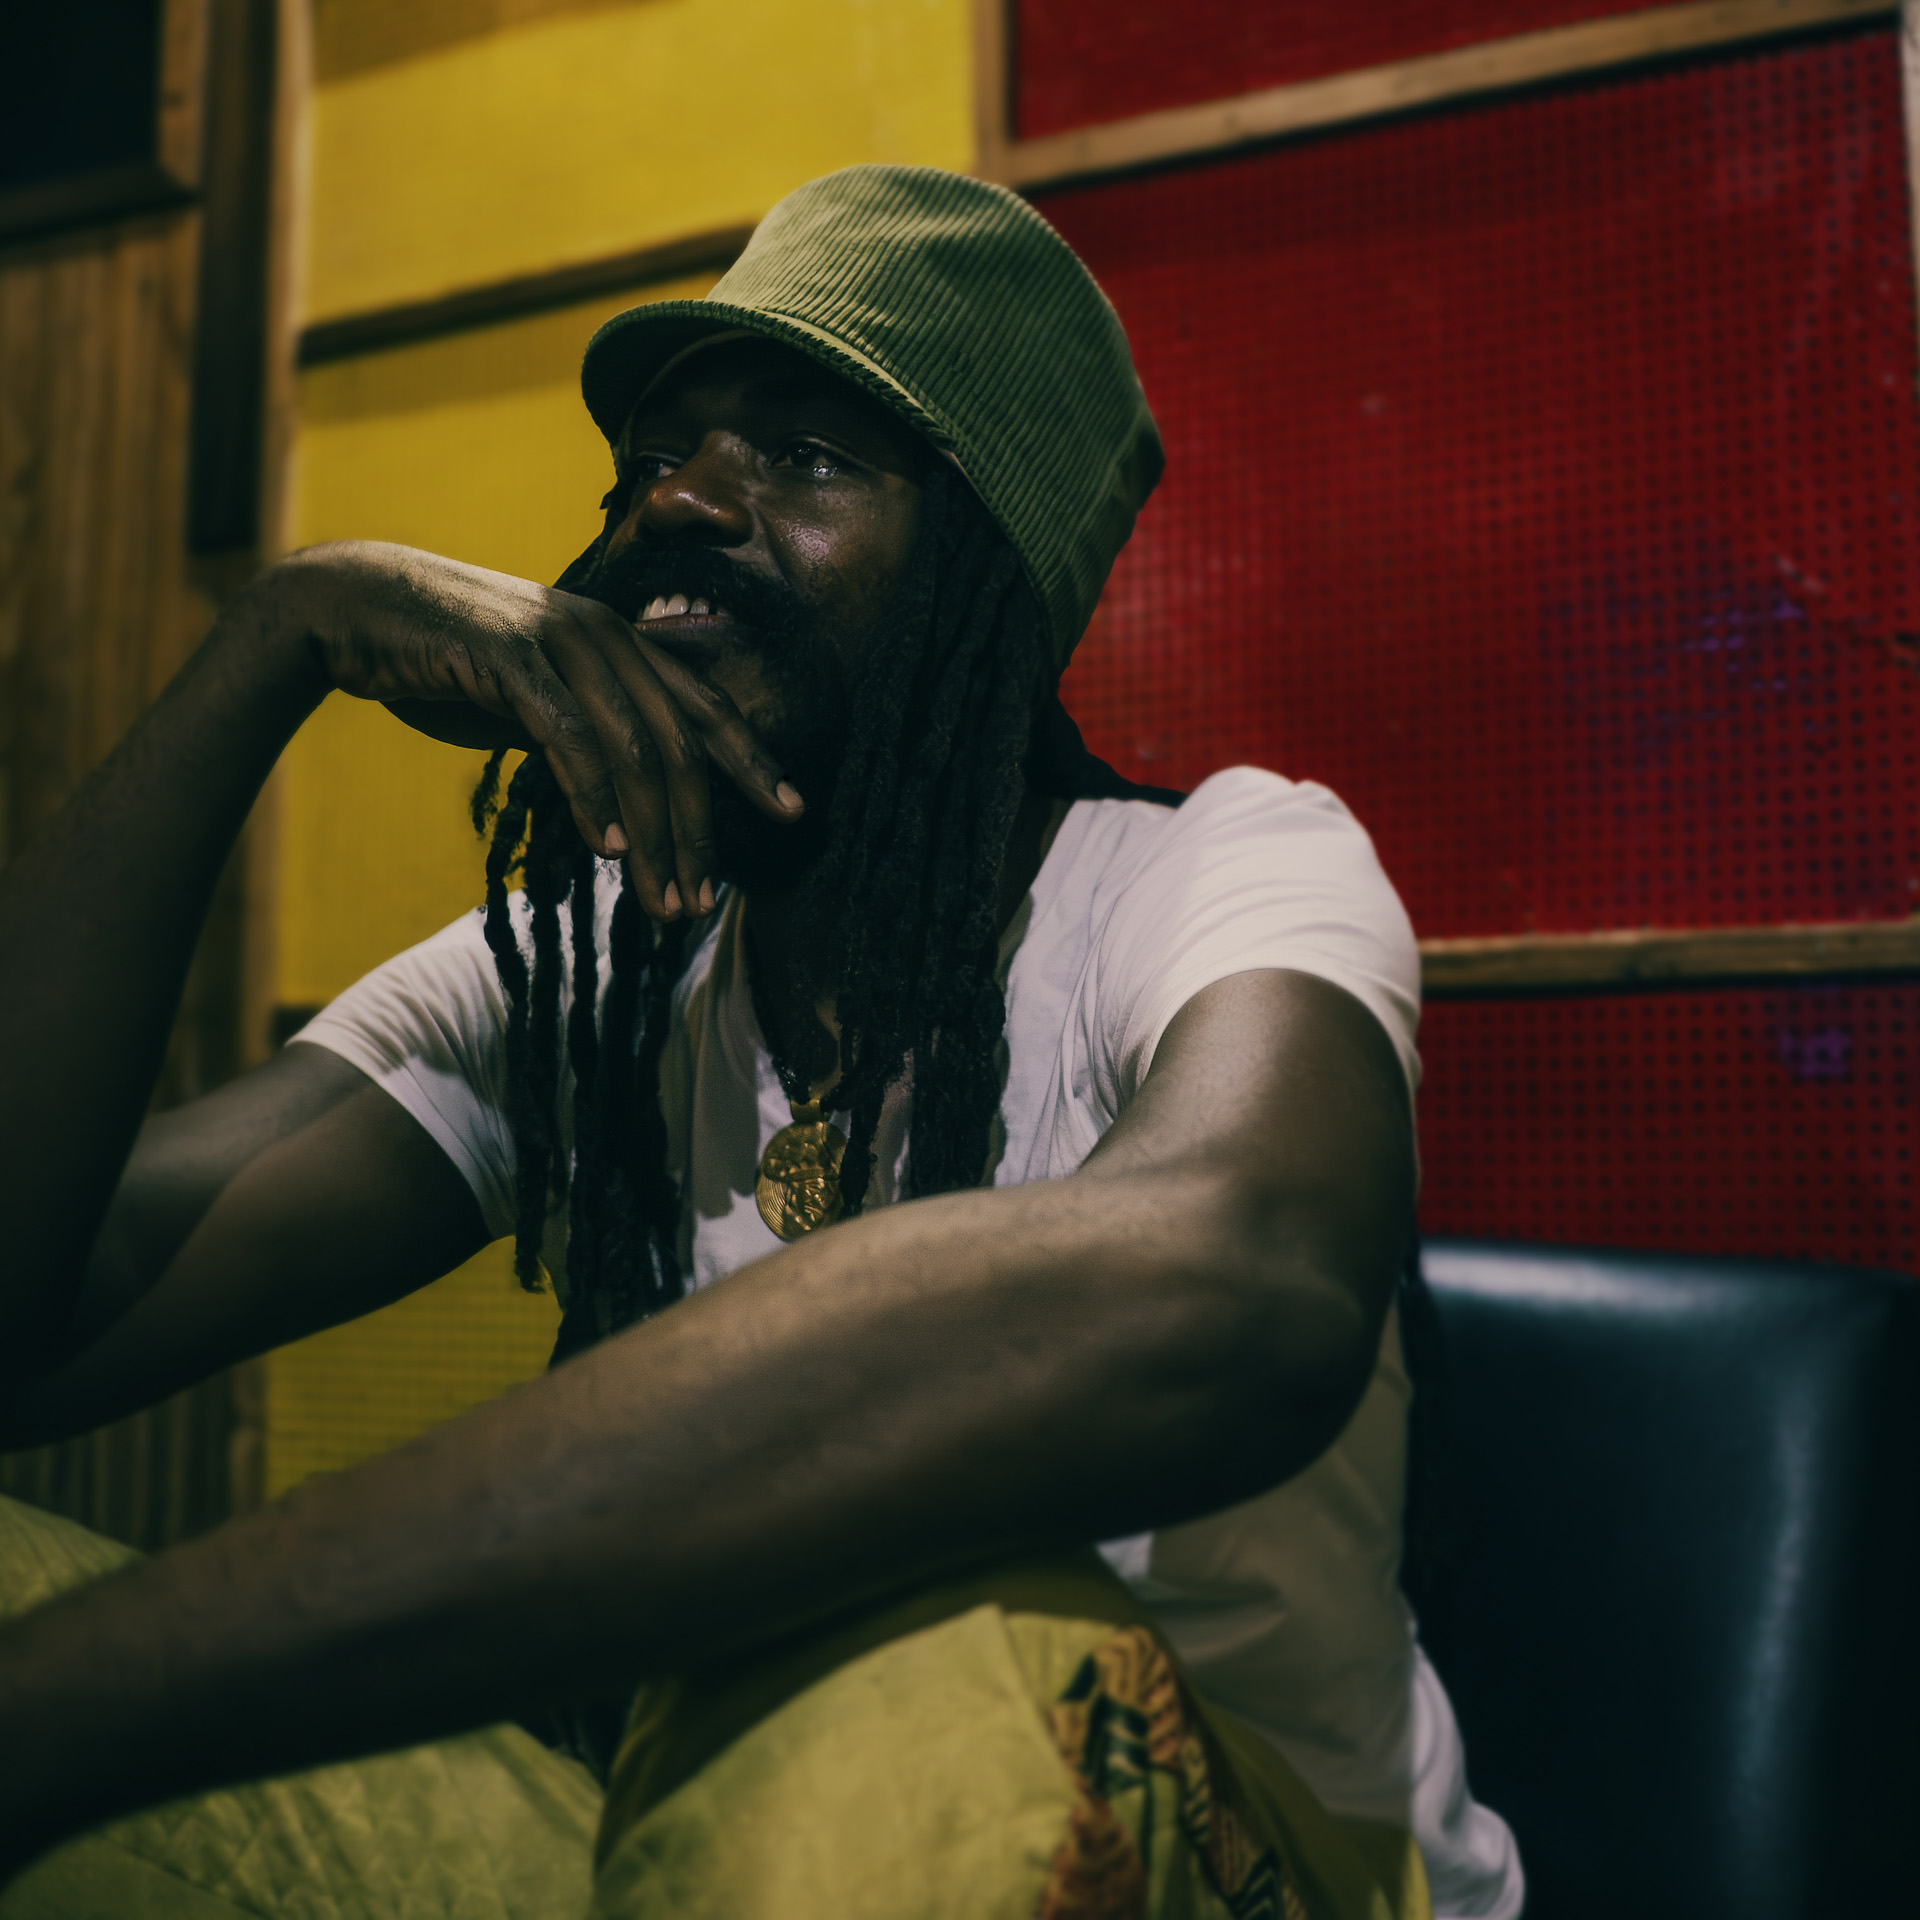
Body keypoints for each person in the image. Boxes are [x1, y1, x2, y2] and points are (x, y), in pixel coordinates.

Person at [0, 167, 1521, 1919]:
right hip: (701, 1835)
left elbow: (1239, 1280)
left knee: (915, 1640)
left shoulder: (1217, 870)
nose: (683, 502)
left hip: (1227, 1854)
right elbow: (39, 1308)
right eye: (664, 452)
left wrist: (102, 1704)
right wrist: (271, 644)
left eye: (804, 455)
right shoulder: (592, 966)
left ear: (986, 572)